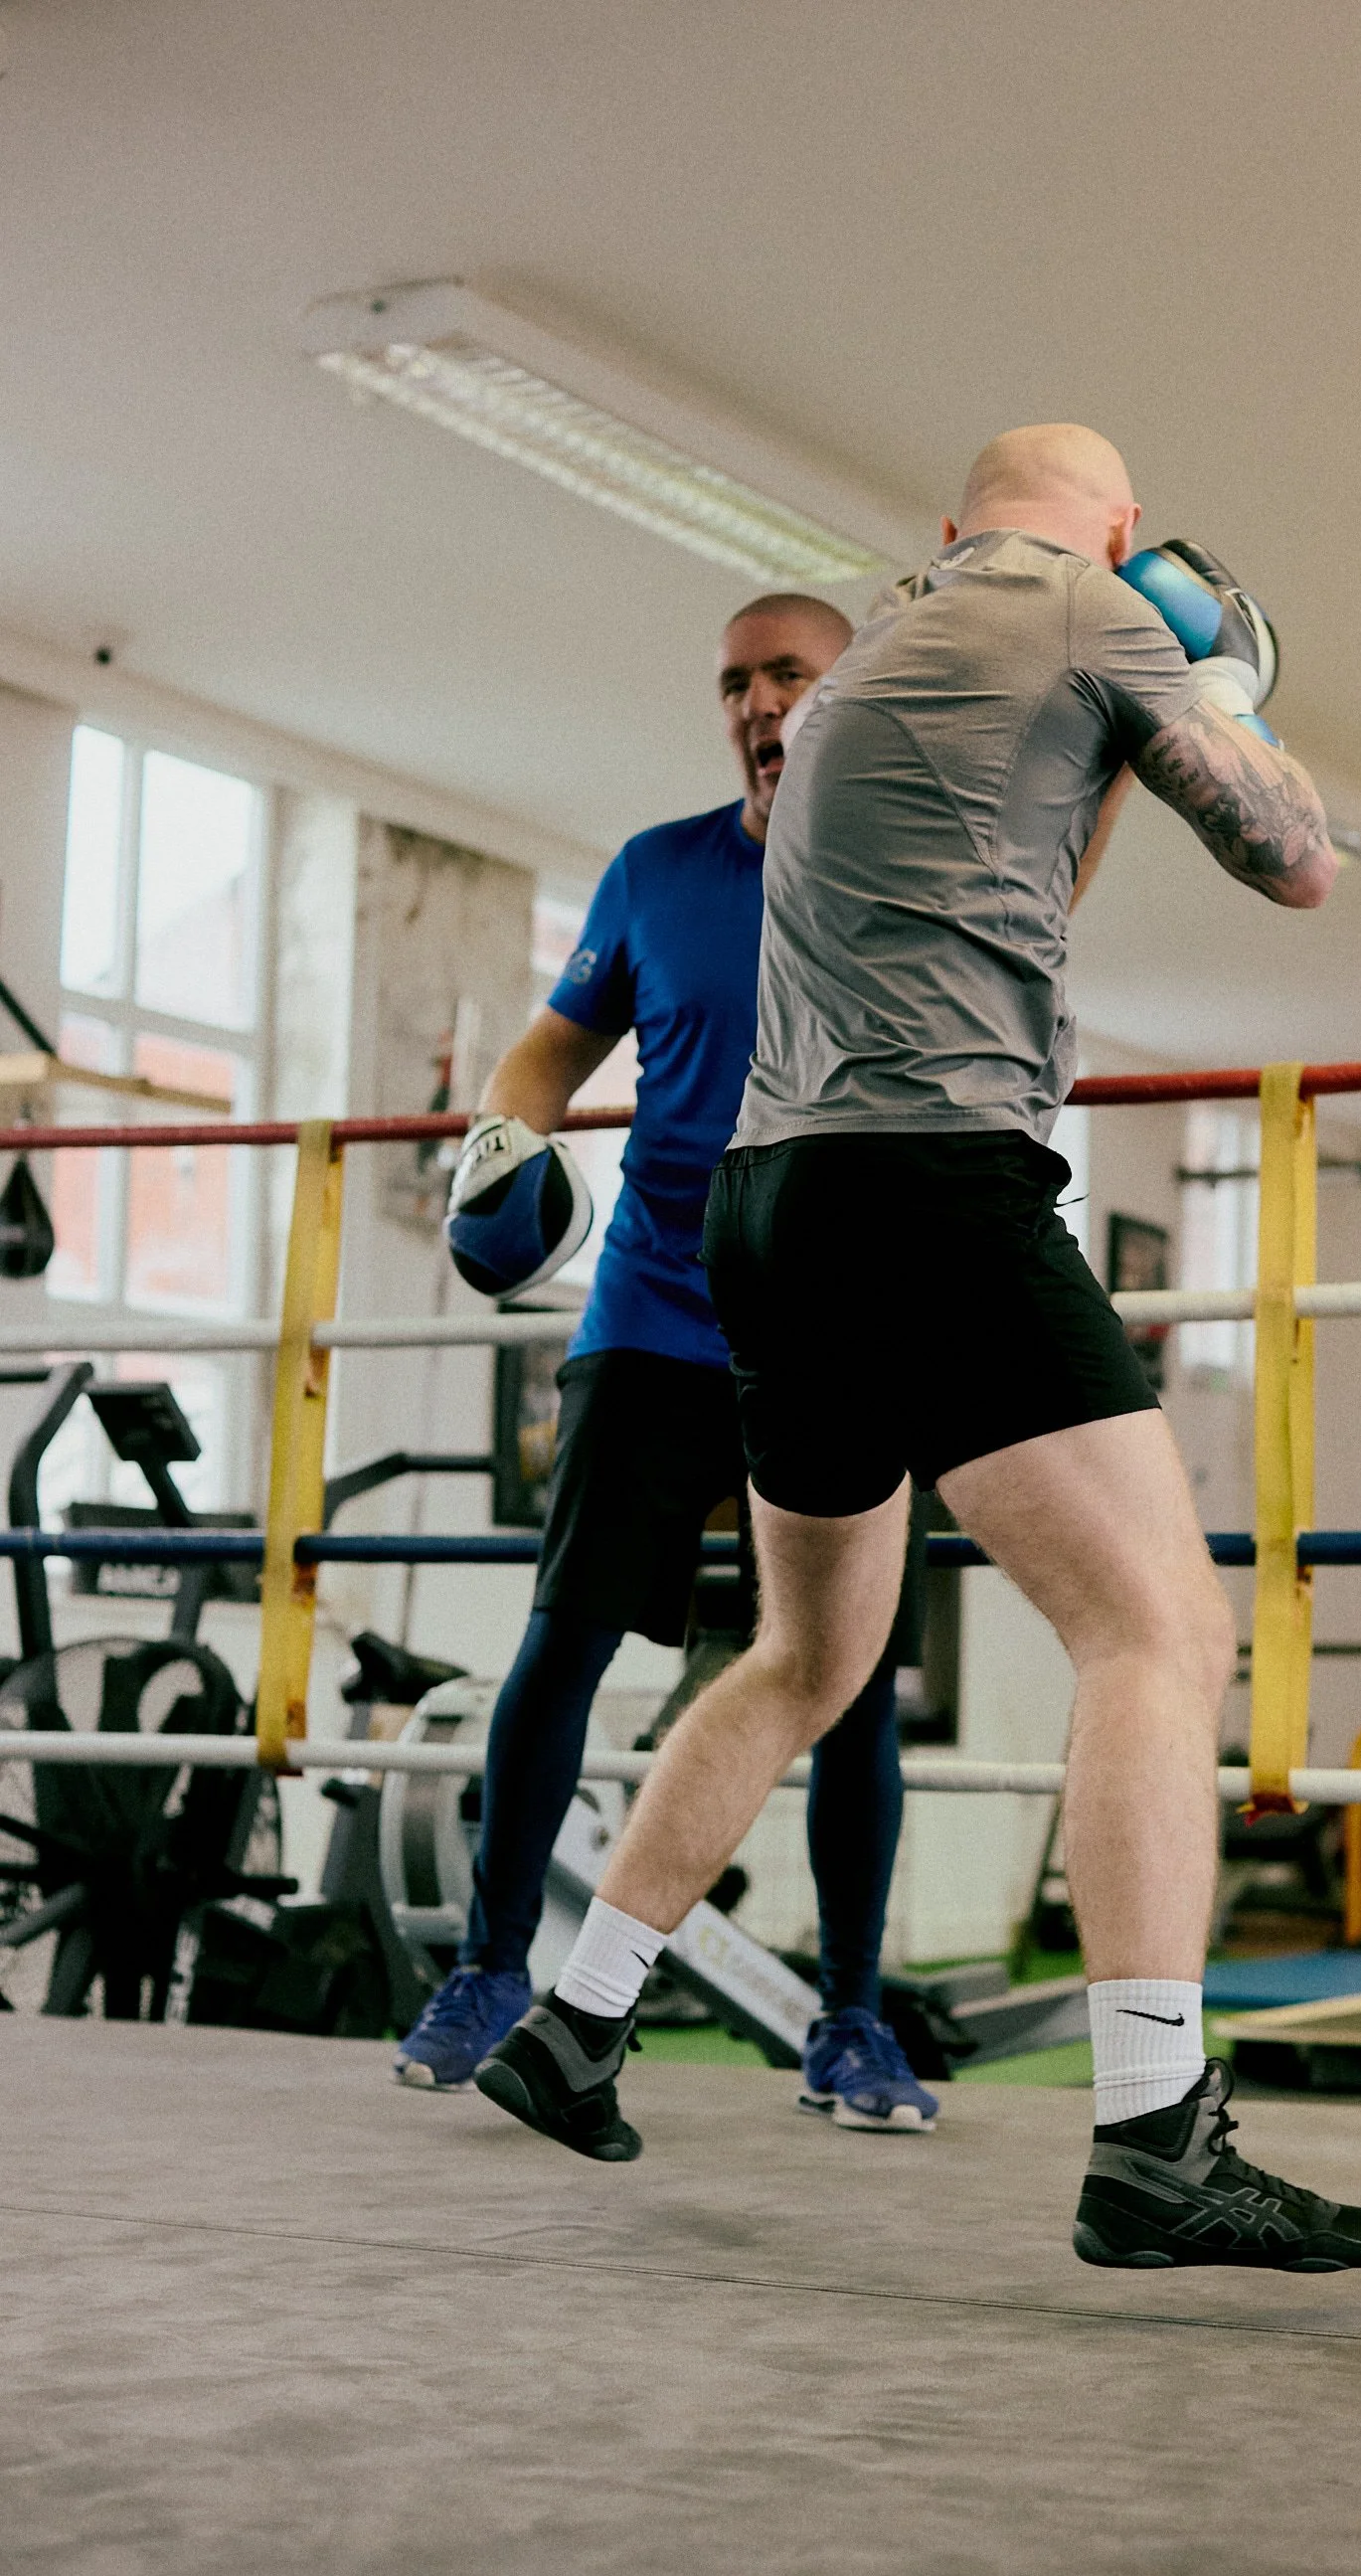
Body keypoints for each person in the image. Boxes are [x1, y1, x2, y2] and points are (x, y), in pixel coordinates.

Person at [477, 425, 1361, 2274]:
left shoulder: (864, 677)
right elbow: (1297, 861)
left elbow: (1014, 889)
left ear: (947, 529)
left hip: (770, 1207)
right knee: (1159, 1631)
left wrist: (1127, 739)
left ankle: (575, 2023)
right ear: (1118, 532)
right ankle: (1156, 2136)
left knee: (807, 1654)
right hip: (935, 1188)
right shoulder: (1090, 610)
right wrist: (1217, 689)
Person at [393, 592, 941, 2133]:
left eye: (789, 675)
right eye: (735, 682)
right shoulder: (655, 871)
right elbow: (548, 1052)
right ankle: (490, 1972)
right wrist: (499, 1148)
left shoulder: (910, 865)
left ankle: (850, 2022)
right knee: (563, 1639)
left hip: (838, 1327)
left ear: (848, 695)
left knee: (850, 1687)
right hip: (652, 1311)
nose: (758, 702)